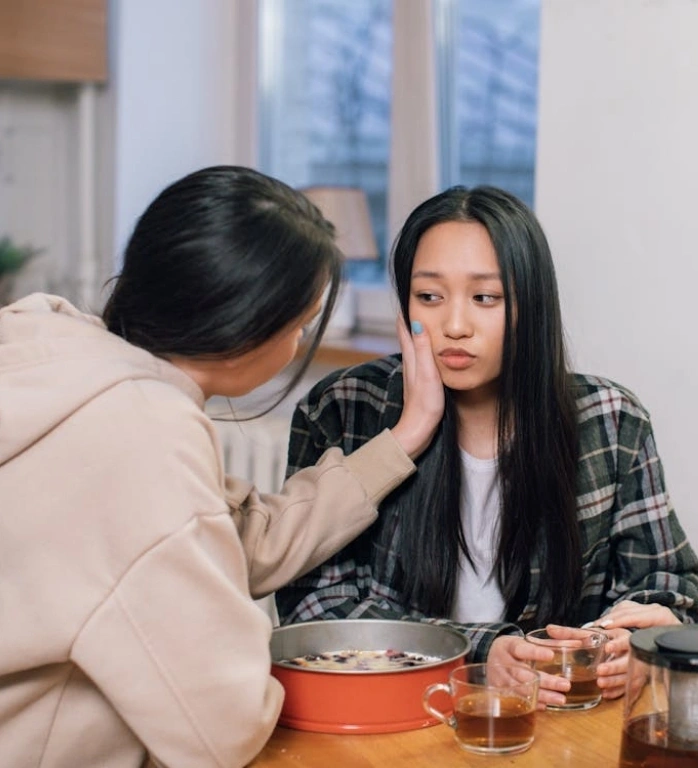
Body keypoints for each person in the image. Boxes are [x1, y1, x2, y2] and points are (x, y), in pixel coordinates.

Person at [0, 165, 444, 767]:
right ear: (246, 330)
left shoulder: (52, 354)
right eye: (301, 326)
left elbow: (236, 538)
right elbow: (223, 727)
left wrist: (405, 437)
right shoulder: (141, 434)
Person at [275, 184, 698, 706]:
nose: (454, 326)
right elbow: (315, 607)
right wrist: (485, 652)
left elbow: (668, 585)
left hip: (556, 722)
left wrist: (629, 639)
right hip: (397, 717)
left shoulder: (611, 420)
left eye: (486, 298)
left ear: (532, 305)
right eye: (429, 297)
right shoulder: (343, 409)